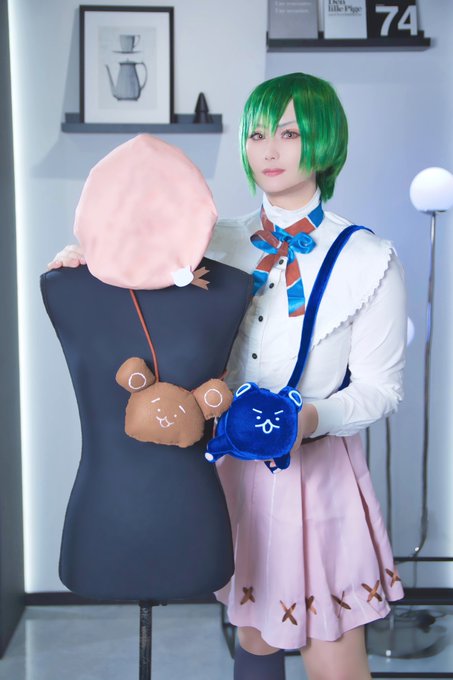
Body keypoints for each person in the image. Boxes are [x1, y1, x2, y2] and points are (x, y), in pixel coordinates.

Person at [49, 72, 406, 680]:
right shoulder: (209, 241)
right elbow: (137, 290)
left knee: (334, 656)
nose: (269, 150)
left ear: (324, 142)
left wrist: (307, 418)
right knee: (255, 638)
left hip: (316, 477)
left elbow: (382, 389)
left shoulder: (368, 258)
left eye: (289, 133)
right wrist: (87, 261)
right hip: (231, 471)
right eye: (257, 134)